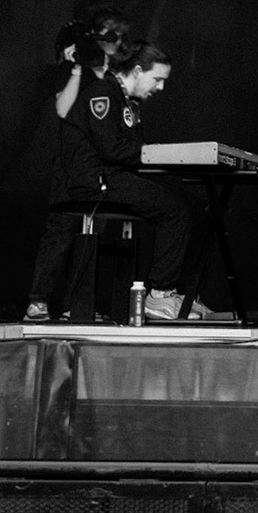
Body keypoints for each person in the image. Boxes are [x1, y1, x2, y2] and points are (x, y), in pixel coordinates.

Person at [53, 41, 208, 321]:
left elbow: (131, 153)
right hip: (95, 180)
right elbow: (111, 149)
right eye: (157, 79)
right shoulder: (103, 92)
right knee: (174, 210)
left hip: (116, 175)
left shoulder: (126, 100)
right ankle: (159, 295)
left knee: (198, 206)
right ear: (137, 71)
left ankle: (182, 294)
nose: (159, 88)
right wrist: (158, 153)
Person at [25, 7, 132, 321]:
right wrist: (75, 69)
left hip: (100, 164)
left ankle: (79, 304)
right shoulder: (67, 71)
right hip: (69, 165)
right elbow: (62, 110)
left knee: (93, 235)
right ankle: (38, 300)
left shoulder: (111, 76)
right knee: (60, 233)